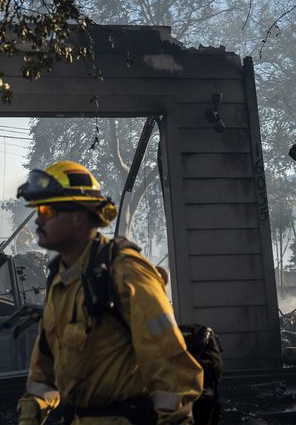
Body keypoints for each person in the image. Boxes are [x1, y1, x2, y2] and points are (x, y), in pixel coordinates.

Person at [15, 161, 203, 424]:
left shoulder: (125, 272)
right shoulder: (60, 278)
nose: (37, 220)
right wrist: (30, 414)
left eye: (47, 210)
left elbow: (171, 367)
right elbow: (43, 371)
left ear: (79, 216)